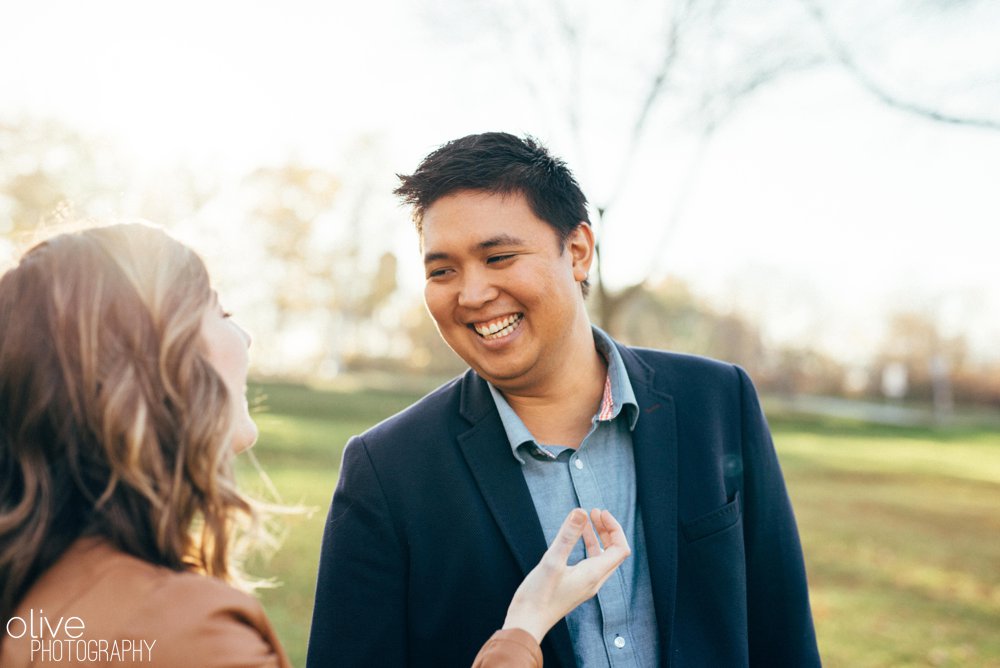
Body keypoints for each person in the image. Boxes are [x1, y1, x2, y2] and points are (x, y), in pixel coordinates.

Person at [0, 222, 628, 668]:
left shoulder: (39, 608)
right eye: (218, 312)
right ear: (153, 367)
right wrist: (522, 632)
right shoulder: (190, 638)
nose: (243, 337)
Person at [307, 132, 822, 667]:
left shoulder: (718, 403)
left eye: (499, 256)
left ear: (577, 251)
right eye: (442, 271)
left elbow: (783, 636)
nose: (472, 294)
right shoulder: (387, 470)